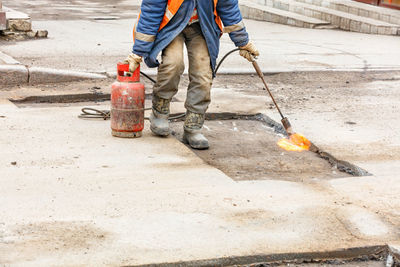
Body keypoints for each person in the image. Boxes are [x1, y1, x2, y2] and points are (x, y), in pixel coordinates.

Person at [126, 0, 259, 149]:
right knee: (173, 64)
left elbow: (228, 8)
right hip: (172, 26)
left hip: (202, 26)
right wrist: (138, 52)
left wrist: (243, 42)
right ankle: (159, 112)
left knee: (203, 73)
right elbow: (151, 11)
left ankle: (193, 126)